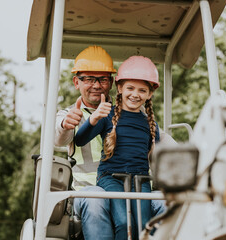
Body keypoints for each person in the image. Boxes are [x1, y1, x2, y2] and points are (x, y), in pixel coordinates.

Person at [54, 46, 174, 240]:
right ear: (77, 82)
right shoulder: (70, 114)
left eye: (102, 79)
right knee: (97, 199)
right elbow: (59, 137)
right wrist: (66, 125)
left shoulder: (138, 116)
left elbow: (166, 142)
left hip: (135, 184)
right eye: (88, 79)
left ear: (111, 82)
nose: (96, 85)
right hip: (91, 191)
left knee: (168, 204)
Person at [74, 56, 160, 240]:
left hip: (141, 180)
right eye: (130, 88)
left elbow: (159, 156)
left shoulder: (150, 124)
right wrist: (93, 119)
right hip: (112, 178)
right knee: (123, 221)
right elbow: (80, 140)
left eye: (142, 90)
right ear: (120, 88)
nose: (135, 94)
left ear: (150, 94)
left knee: (143, 224)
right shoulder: (107, 115)